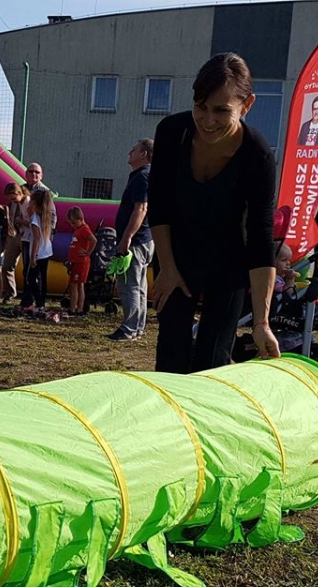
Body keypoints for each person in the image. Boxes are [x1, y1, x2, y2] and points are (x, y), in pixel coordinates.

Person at [148, 52, 280, 372]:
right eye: (201, 107)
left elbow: (260, 236)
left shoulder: (257, 155)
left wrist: (261, 322)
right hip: (175, 254)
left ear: (246, 105)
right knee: (172, 355)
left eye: (221, 110)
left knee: (213, 358)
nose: (207, 120)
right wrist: (168, 268)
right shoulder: (172, 132)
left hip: (228, 261)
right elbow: (159, 204)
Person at [107, 139, 155, 341]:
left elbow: (141, 208)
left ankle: (129, 328)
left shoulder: (142, 176)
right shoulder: (146, 175)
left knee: (130, 285)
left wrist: (127, 237)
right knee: (139, 286)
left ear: (143, 154)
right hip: (144, 239)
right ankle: (137, 327)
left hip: (136, 241)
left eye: (134, 149)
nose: (129, 152)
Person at [20, 189, 54, 312]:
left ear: (34, 203)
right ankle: (41, 303)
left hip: (39, 253)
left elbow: (36, 238)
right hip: (47, 251)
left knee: (30, 278)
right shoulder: (44, 215)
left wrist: (33, 256)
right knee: (42, 278)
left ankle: (39, 302)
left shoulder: (35, 218)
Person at [65, 206, 97, 315]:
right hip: (75, 261)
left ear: (81, 219)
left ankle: (74, 308)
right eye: (71, 223)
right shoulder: (78, 230)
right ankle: (78, 308)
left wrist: (88, 252)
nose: (72, 225)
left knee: (75, 285)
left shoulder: (84, 229)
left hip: (81, 262)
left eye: (74, 223)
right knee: (77, 284)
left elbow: (94, 240)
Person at [3, 182, 30, 302]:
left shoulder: (28, 203)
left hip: (26, 236)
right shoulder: (13, 204)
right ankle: (10, 292)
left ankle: (27, 296)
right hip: (14, 234)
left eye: (13, 198)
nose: (12, 201)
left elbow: (33, 222)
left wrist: (21, 221)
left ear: (19, 193)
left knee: (27, 268)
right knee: (7, 265)